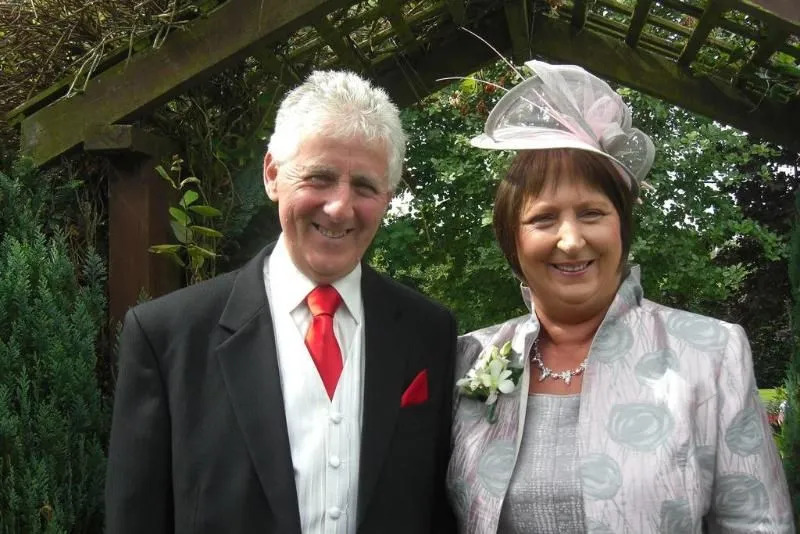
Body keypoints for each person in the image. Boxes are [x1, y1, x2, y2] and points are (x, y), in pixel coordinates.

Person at [446, 60, 794, 533]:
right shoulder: (469, 358)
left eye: (592, 213)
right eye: (543, 219)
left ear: (622, 229)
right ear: (513, 243)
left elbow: (758, 524)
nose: (571, 240)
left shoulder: (711, 354)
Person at [106, 70, 457, 534]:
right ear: (272, 174)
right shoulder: (168, 336)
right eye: (320, 177)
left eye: (364, 186)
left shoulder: (429, 332)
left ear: (387, 199)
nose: (340, 207)